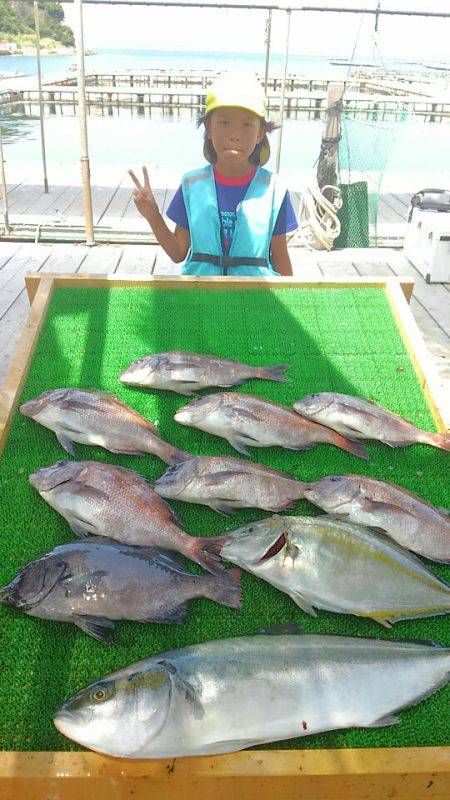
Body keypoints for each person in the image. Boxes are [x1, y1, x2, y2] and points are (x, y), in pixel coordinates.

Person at [129, 73, 298, 276]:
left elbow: (281, 260)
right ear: (209, 128)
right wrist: (153, 216)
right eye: (224, 123)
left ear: (260, 133)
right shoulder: (192, 186)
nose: (235, 134)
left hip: (253, 301)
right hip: (201, 298)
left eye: (247, 125)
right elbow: (178, 252)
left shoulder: (274, 192)